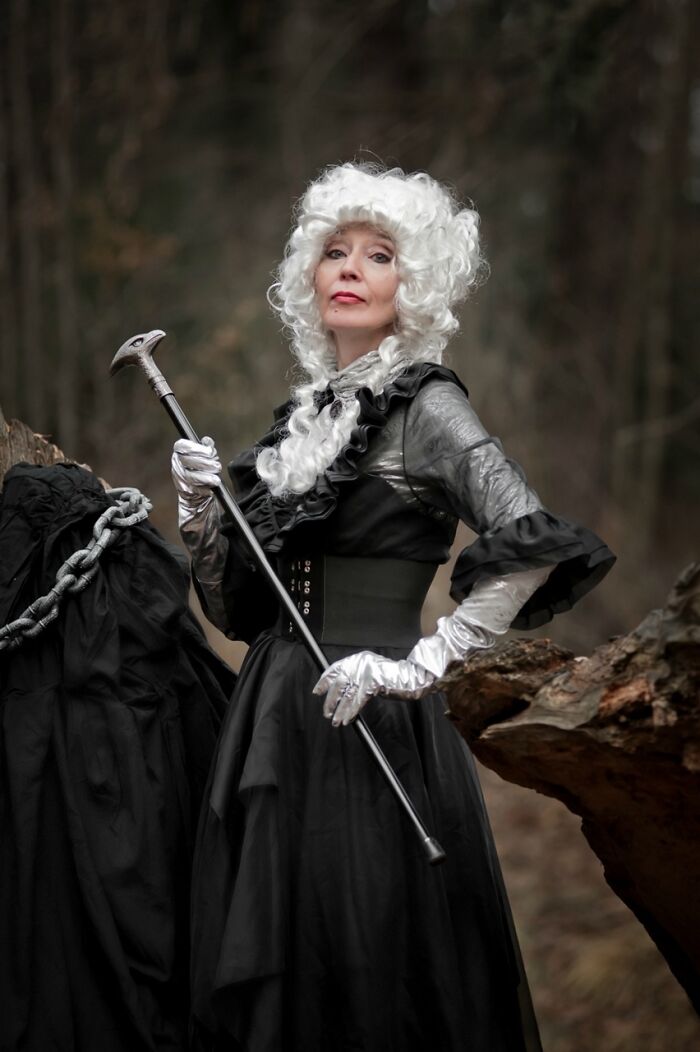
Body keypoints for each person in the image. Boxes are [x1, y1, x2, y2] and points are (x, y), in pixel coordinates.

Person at [171, 163, 615, 1052]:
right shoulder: (302, 423)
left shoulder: (428, 406)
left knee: (368, 961)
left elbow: (532, 543)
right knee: (281, 967)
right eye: (334, 250)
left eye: (379, 254)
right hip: (273, 718)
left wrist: (423, 663)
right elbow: (236, 609)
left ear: (414, 283)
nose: (350, 267)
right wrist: (200, 512)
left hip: (372, 720)